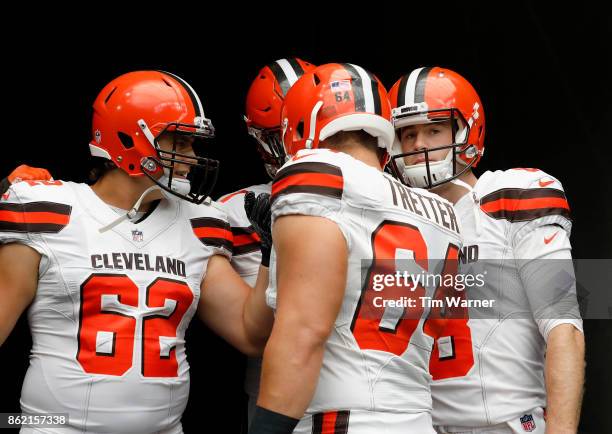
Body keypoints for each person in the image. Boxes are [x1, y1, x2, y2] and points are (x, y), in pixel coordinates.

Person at [0, 70, 272, 434]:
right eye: (180, 143)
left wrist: (273, 255)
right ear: (128, 139)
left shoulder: (200, 223)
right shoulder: (48, 209)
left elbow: (250, 334)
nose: (192, 158)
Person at [248, 63, 463, 434]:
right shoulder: (442, 212)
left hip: (341, 417)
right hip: (415, 418)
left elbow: (304, 330)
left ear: (301, 125)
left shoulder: (318, 175)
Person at [388, 66, 585, 434]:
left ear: (466, 130)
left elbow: (563, 328)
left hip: (507, 424)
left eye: (433, 130)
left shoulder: (511, 197)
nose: (418, 146)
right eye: (407, 134)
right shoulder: (391, 221)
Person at [217, 57, 316, 427]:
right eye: (283, 134)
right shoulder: (234, 211)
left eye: (309, 129)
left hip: (370, 401)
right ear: (256, 136)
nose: (298, 146)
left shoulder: (383, 196)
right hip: (276, 403)